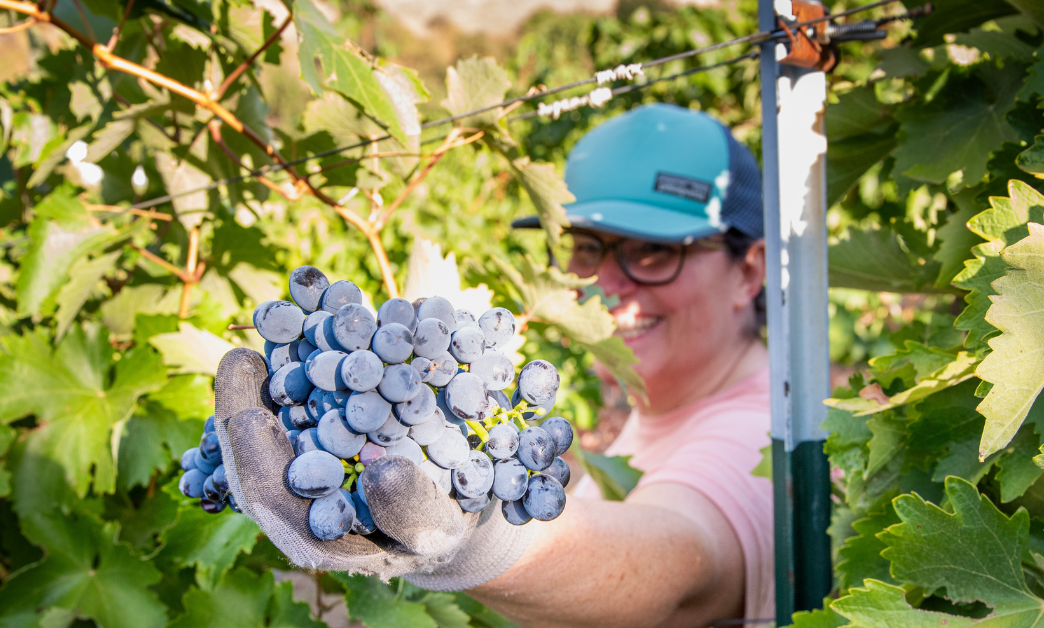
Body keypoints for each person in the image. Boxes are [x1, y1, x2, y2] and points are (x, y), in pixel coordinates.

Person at [212, 103, 772, 628]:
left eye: (654, 252)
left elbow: (674, 566)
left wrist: (475, 544)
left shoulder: (761, 432)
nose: (606, 282)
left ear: (749, 272)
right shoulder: (664, 408)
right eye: (584, 247)